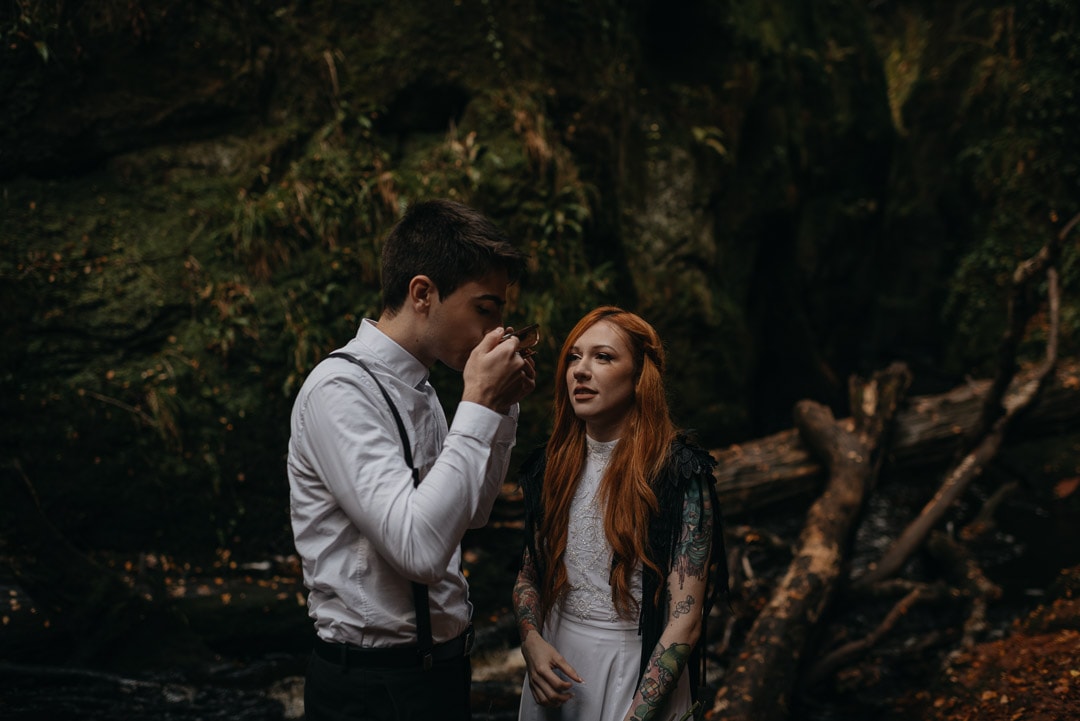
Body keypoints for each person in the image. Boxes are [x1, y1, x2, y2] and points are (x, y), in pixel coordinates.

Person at [288, 198, 536, 721]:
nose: (498, 331)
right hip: (371, 688)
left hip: (440, 673)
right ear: (422, 293)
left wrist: (499, 410)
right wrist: (477, 403)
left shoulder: (422, 391)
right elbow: (419, 550)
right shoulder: (340, 390)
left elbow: (471, 514)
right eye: (485, 309)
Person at [513, 306, 727, 721]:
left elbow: (685, 620)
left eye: (603, 357)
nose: (580, 370)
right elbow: (529, 575)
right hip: (555, 665)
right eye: (574, 357)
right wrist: (531, 642)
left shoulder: (678, 473)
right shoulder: (549, 465)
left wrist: (637, 716)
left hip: (635, 674)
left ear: (639, 377)